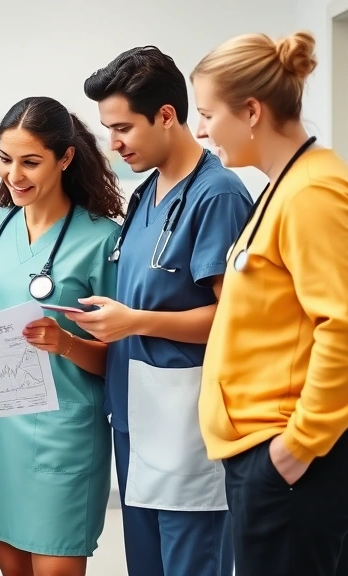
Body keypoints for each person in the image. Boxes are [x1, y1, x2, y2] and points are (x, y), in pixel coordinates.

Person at [189, 31, 348, 576]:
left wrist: (295, 449)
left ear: (251, 111)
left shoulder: (314, 195)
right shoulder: (287, 184)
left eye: (206, 113)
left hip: (299, 453)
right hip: (280, 449)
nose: (200, 129)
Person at [73, 47, 253, 576]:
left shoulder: (217, 195)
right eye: (108, 129)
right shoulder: (146, 191)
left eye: (123, 128)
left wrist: (135, 321)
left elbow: (231, 319)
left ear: (167, 116)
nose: (114, 144)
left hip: (188, 421)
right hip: (135, 414)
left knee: (192, 562)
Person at [0, 96, 122, 576]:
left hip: (62, 433)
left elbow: (120, 360)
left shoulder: (102, 239)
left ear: (65, 158)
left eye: (31, 162)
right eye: (6, 159)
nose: (15, 175)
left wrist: (65, 342)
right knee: (10, 567)